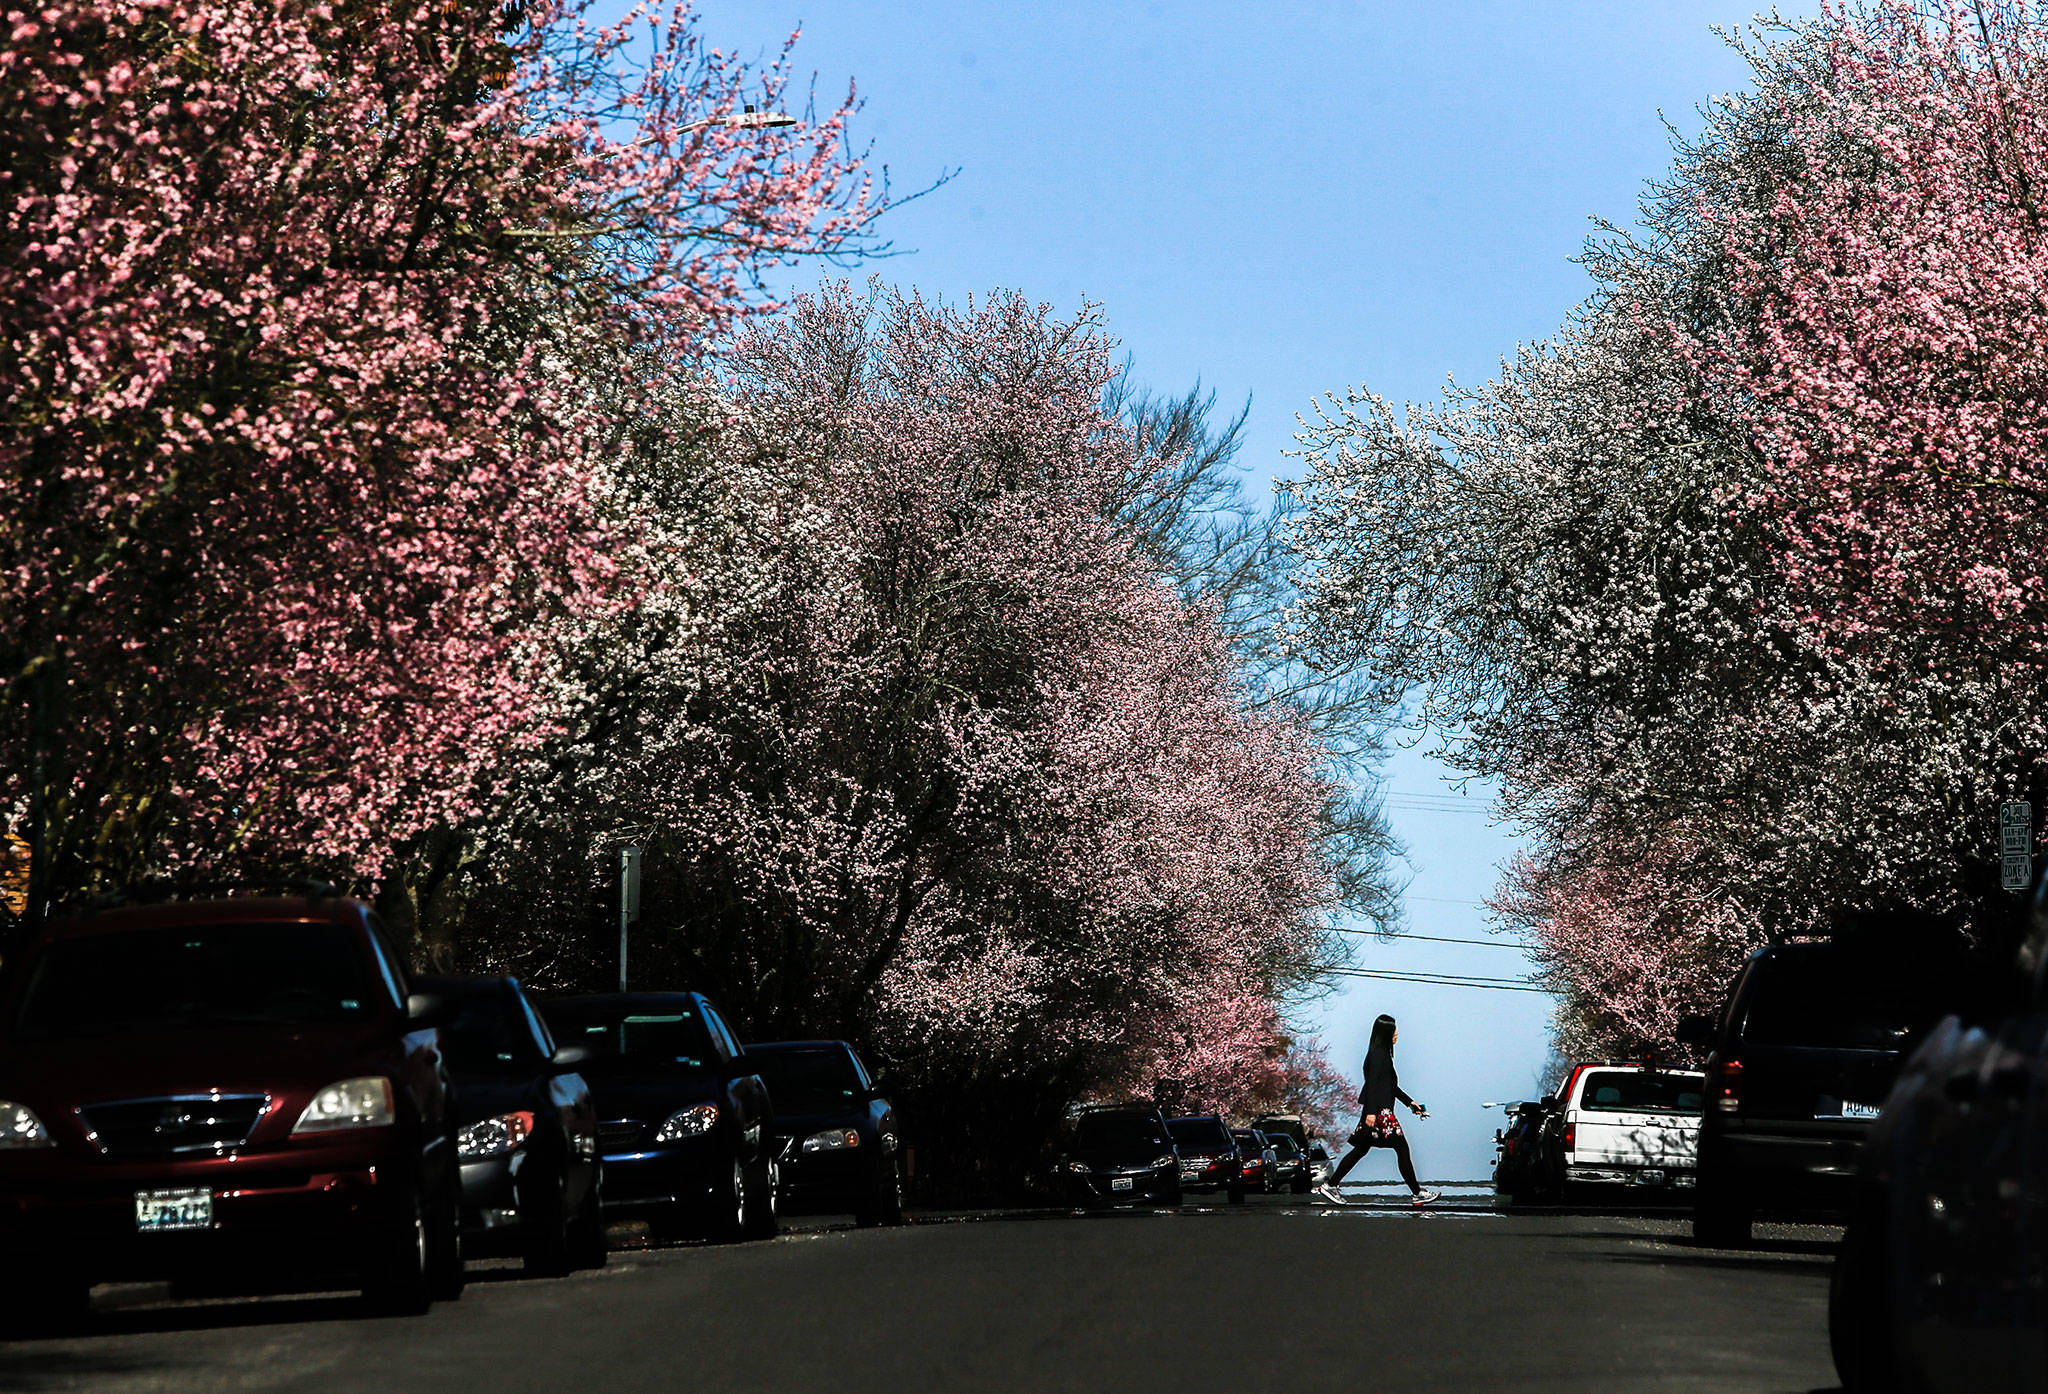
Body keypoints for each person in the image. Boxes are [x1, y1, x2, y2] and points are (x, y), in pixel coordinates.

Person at [1317, 1014, 1438, 1206]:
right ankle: (1417, 1193)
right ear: (1386, 1032)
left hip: (1378, 1111)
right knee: (1401, 1148)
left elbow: (1389, 1086)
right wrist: (1372, 1112)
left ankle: (1331, 1185)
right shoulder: (1378, 1055)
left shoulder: (1382, 1054)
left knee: (1361, 1149)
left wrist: (1410, 1103)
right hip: (1380, 1113)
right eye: (1394, 1030)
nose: (1397, 1034)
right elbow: (1372, 1084)